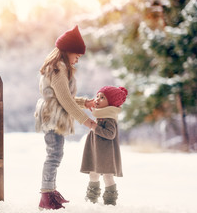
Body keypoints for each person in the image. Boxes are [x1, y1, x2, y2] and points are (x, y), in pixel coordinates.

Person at [34, 25, 96, 210]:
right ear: (67, 51)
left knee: (55, 153)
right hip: (53, 118)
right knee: (54, 155)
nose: (77, 59)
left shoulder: (58, 67)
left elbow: (64, 97)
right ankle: (46, 195)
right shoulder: (59, 69)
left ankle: (50, 192)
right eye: (77, 54)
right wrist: (87, 121)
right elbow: (65, 101)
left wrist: (86, 103)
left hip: (53, 116)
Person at [80, 86, 128, 206]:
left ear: (110, 103)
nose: (97, 99)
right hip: (96, 151)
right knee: (93, 174)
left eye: (102, 97)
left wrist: (95, 127)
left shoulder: (109, 118)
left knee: (107, 176)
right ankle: (91, 199)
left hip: (106, 153)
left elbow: (110, 134)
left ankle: (110, 201)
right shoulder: (100, 116)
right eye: (97, 96)